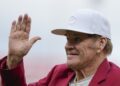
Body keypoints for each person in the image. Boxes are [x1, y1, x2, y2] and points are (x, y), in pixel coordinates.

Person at [0, 9, 120, 86]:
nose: (68, 46)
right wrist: (14, 60)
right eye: (68, 39)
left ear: (101, 43)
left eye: (77, 39)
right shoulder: (58, 73)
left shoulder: (116, 79)